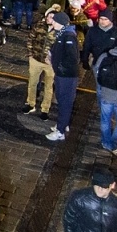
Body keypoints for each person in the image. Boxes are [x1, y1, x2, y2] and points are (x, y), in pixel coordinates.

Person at [46, 9, 81, 143]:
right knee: (61, 100)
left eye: (55, 21)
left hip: (66, 76)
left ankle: (60, 131)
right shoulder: (62, 34)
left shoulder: (68, 37)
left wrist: (60, 67)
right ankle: (63, 123)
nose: (52, 23)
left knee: (65, 101)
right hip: (61, 74)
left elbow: (72, 58)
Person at [21, 9, 56, 119]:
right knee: (32, 83)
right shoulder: (39, 25)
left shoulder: (59, 31)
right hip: (36, 60)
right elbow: (30, 38)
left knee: (48, 86)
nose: (48, 19)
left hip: (50, 64)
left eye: (51, 17)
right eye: (48, 16)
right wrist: (30, 54)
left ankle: (45, 109)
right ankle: (30, 103)